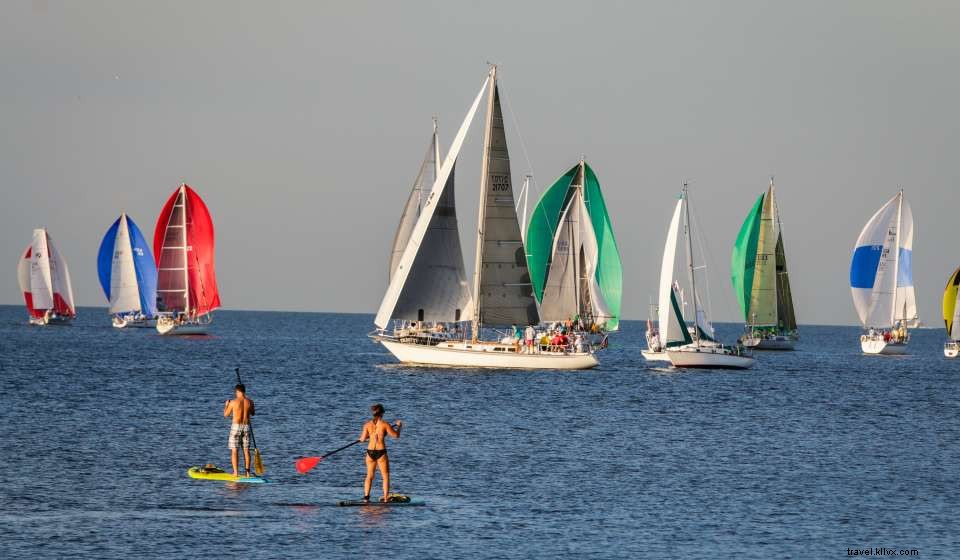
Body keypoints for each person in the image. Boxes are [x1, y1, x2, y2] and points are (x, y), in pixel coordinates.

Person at [359, 403, 403, 502]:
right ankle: (386, 498)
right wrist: (399, 426)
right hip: (381, 452)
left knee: (369, 476)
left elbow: (362, 439)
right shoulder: (385, 424)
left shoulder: (367, 425)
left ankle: (366, 497)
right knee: (385, 476)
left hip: (370, 452)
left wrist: (364, 438)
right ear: (382, 413)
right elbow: (396, 436)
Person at [223, 383, 255, 477]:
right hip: (246, 427)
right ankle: (248, 473)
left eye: (236, 392)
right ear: (244, 391)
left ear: (237, 391)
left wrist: (226, 405)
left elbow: (225, 414)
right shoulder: (250, 401)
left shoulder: (233, 402)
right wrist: (248, 404)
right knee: (246, 450)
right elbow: (253, 413)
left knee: (234, 450)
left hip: (236, 427)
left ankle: (236, 473)